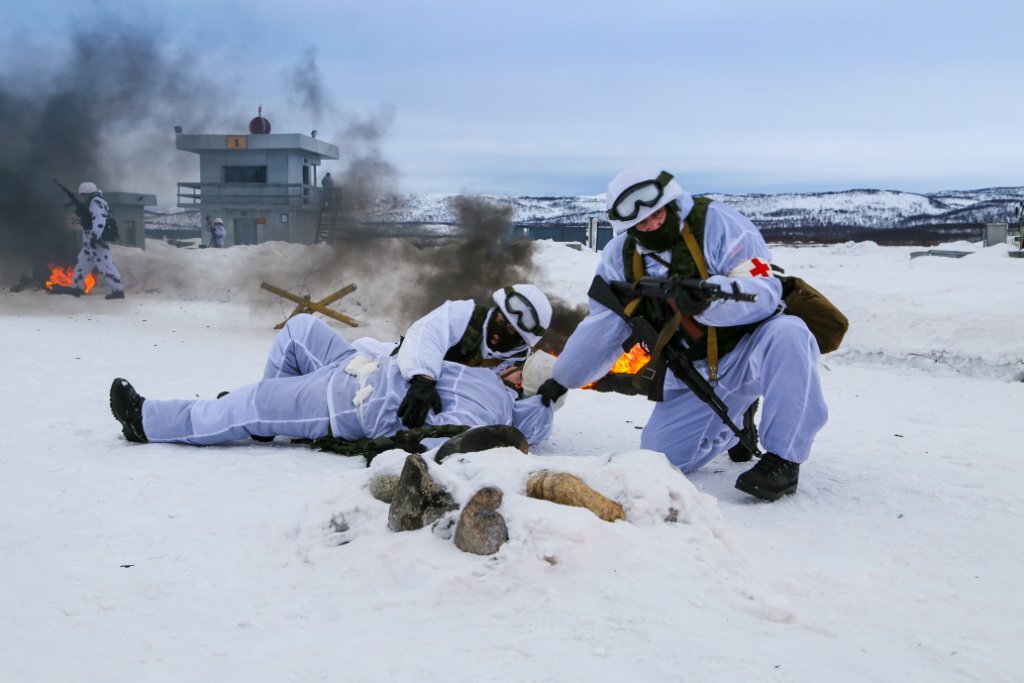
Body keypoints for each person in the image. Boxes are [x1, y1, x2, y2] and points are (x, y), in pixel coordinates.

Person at [536, 167, 827, 502]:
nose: (652, 225)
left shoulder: (718, 224)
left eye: (656, 214)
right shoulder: (621, 259)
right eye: (640, 223)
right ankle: (737, 424)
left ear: (670, 204)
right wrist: (565, 376)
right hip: (696, 371)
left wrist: (709, 298)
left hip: (752, 351)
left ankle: (784, 459)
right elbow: (604, 324)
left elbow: (764, 290)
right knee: (660, 460)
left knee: (790, 332)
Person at [109, 313, 563, 448]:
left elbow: (435, 449)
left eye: (523, 370)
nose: (512, 364)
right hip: (360, 366)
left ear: (522, 386)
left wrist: (374, 434)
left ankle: (146, 421)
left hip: (347, 401)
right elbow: (426, 337)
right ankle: (270, 418)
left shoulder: (494, 415)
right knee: (301, 328)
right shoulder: (493, 386)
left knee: (247, 404)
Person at [394, 284, 553, 429]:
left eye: (510, 331)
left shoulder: (521, 367)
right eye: (499, 320)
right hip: (410, 380)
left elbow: (505, 409)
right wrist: (423, 378)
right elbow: (426, 334)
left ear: (521, 340)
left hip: (453, 410)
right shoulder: (463, 314)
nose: (498, 333)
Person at [71, 181, 126, 299]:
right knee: (82, 264)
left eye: (84, 194)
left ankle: (118, 291)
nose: (83, 197)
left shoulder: (96, 202)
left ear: (88, 193)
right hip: (90, 241)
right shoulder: (93, 202)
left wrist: (95, 237)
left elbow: (99, 221)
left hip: (96, 241)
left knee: (105, 265)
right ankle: (76, 288)